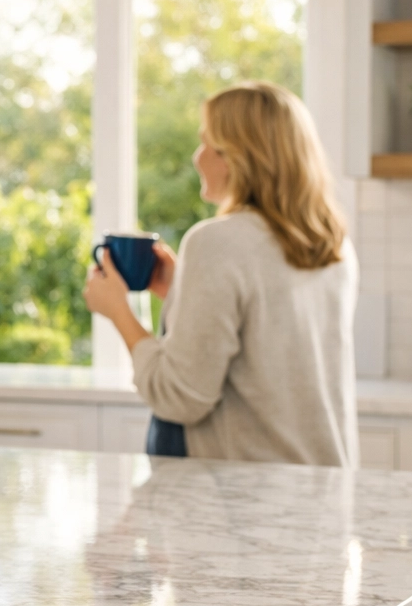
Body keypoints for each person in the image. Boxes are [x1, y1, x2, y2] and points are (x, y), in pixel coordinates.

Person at [82, 82, 358, 467]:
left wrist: (120, 313)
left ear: (237, 157)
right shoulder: (334, 245)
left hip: (244, 502)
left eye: (207, 143)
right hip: (322, 491)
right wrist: (183, 290)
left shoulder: (218, 242)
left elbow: (180, 397)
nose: (197, 158)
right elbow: (269, 345)